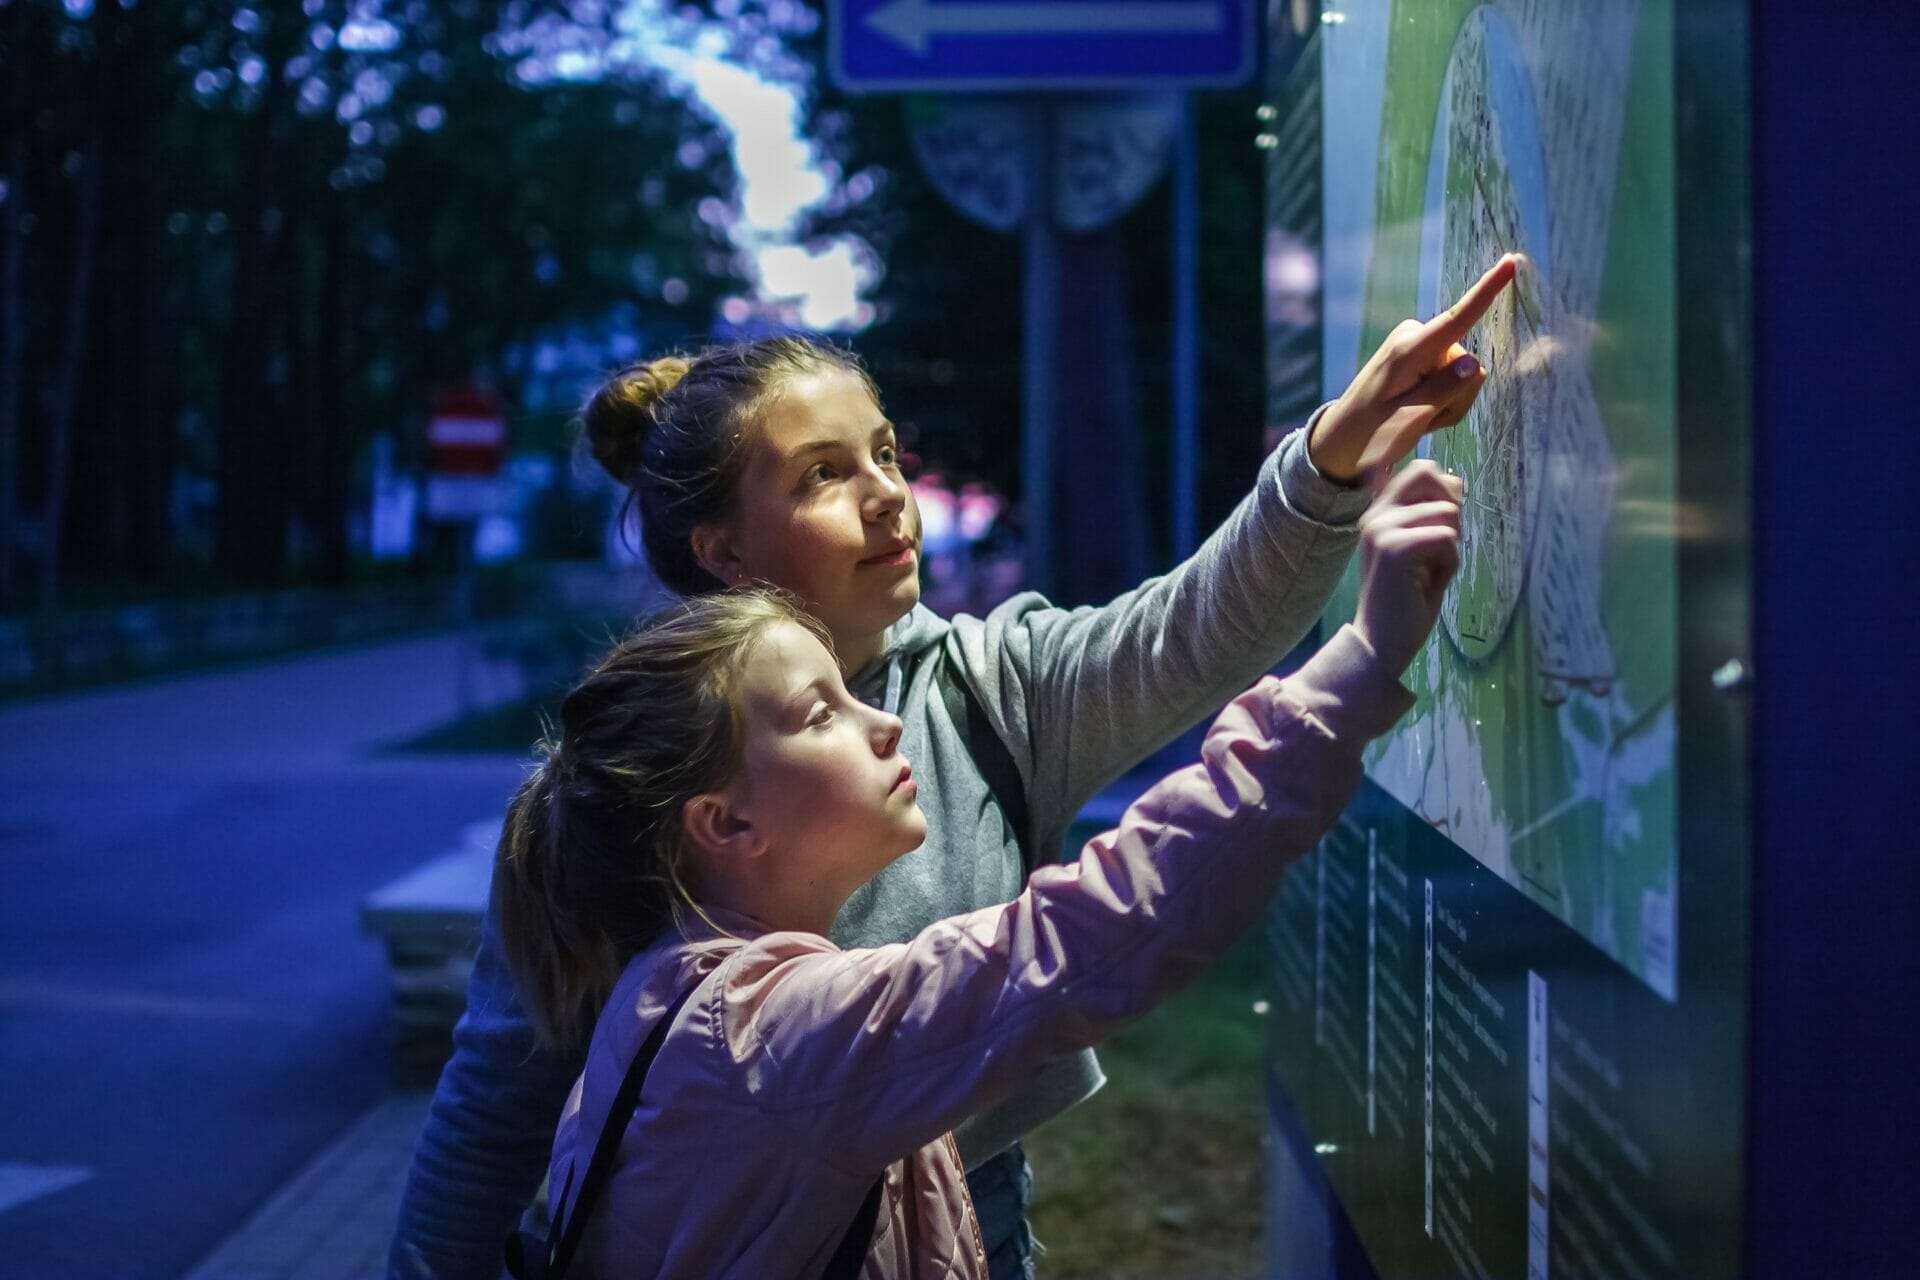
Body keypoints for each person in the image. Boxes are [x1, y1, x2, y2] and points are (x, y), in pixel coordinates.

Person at [387, 256, 1518, 1280]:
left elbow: (1195, 630)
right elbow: (499, 1098)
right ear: (721, 549)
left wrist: (1333, 455)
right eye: (824, 474)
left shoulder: (990, 684)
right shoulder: (626, 777)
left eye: (887, 451)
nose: (889, 491)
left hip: (967, 1224)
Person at [500, 448, 1458, 1276]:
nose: (883, 723)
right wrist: (1366, 658)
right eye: (822, 713)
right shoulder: (777, 1041)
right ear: (725, 823)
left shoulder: (669, 1001)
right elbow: (1086, 934)